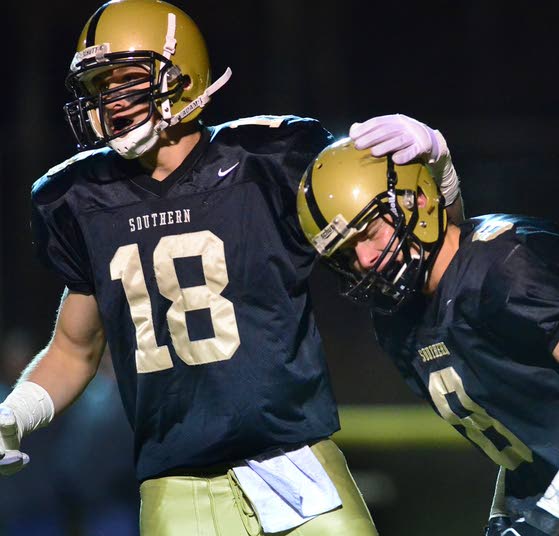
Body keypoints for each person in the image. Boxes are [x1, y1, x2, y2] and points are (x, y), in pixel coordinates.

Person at [0, 1, 464, 534]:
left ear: (182, 72)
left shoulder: (269, 160)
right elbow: (74, 347)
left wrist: (442, 179)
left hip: (296, 459)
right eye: (100, 86)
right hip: (176, 482)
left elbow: (423, 251)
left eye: (127, 79)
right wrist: (16, 413)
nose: (111, 101)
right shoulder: (77, 198)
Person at [296, 133, 559, 536]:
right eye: (346, 253)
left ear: (416, 200)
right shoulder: (399, 323)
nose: (364, 260)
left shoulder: (504, 269)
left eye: (367, 233)